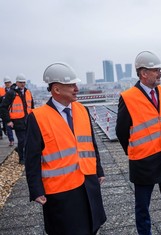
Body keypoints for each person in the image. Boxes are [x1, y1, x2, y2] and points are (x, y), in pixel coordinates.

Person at [25, 62, 106, 235]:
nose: (76, 88)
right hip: (61, 190)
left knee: (93, 225)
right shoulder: (38, 117)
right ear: (56, 89)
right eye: (71, 85)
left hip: (88, 182)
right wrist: (36, 189)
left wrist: (98, 170)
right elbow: (31, 157)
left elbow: (91, 144)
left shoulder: (82, 110)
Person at [116, 51, 161, 235]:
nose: (160, 73)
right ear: (144, 73)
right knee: (143, 206)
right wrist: (134, 151)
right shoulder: (128, 97)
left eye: (160, 69)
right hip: (143, 161)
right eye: (156, 70)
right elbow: (121, 131)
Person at [0, 74, 34, 164]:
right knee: (22, 140)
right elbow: (3, 107)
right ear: (17, 82)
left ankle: (23, 153)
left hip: (28, 120)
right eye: (21, 82)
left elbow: (32, 106)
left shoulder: (28, 92)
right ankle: (22, 159)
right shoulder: (11, 93)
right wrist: (8, 121)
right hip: (18, 121)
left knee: (28, 139)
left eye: (24, 82)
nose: (23, 84)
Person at [0, 76, 15, 146]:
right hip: (6, 112)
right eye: (6, 83)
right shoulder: (3, 91)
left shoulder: (14, 90)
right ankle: (11, 140)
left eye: (8, 82)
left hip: (14, 112)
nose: (8, 84)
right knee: (7, 126)